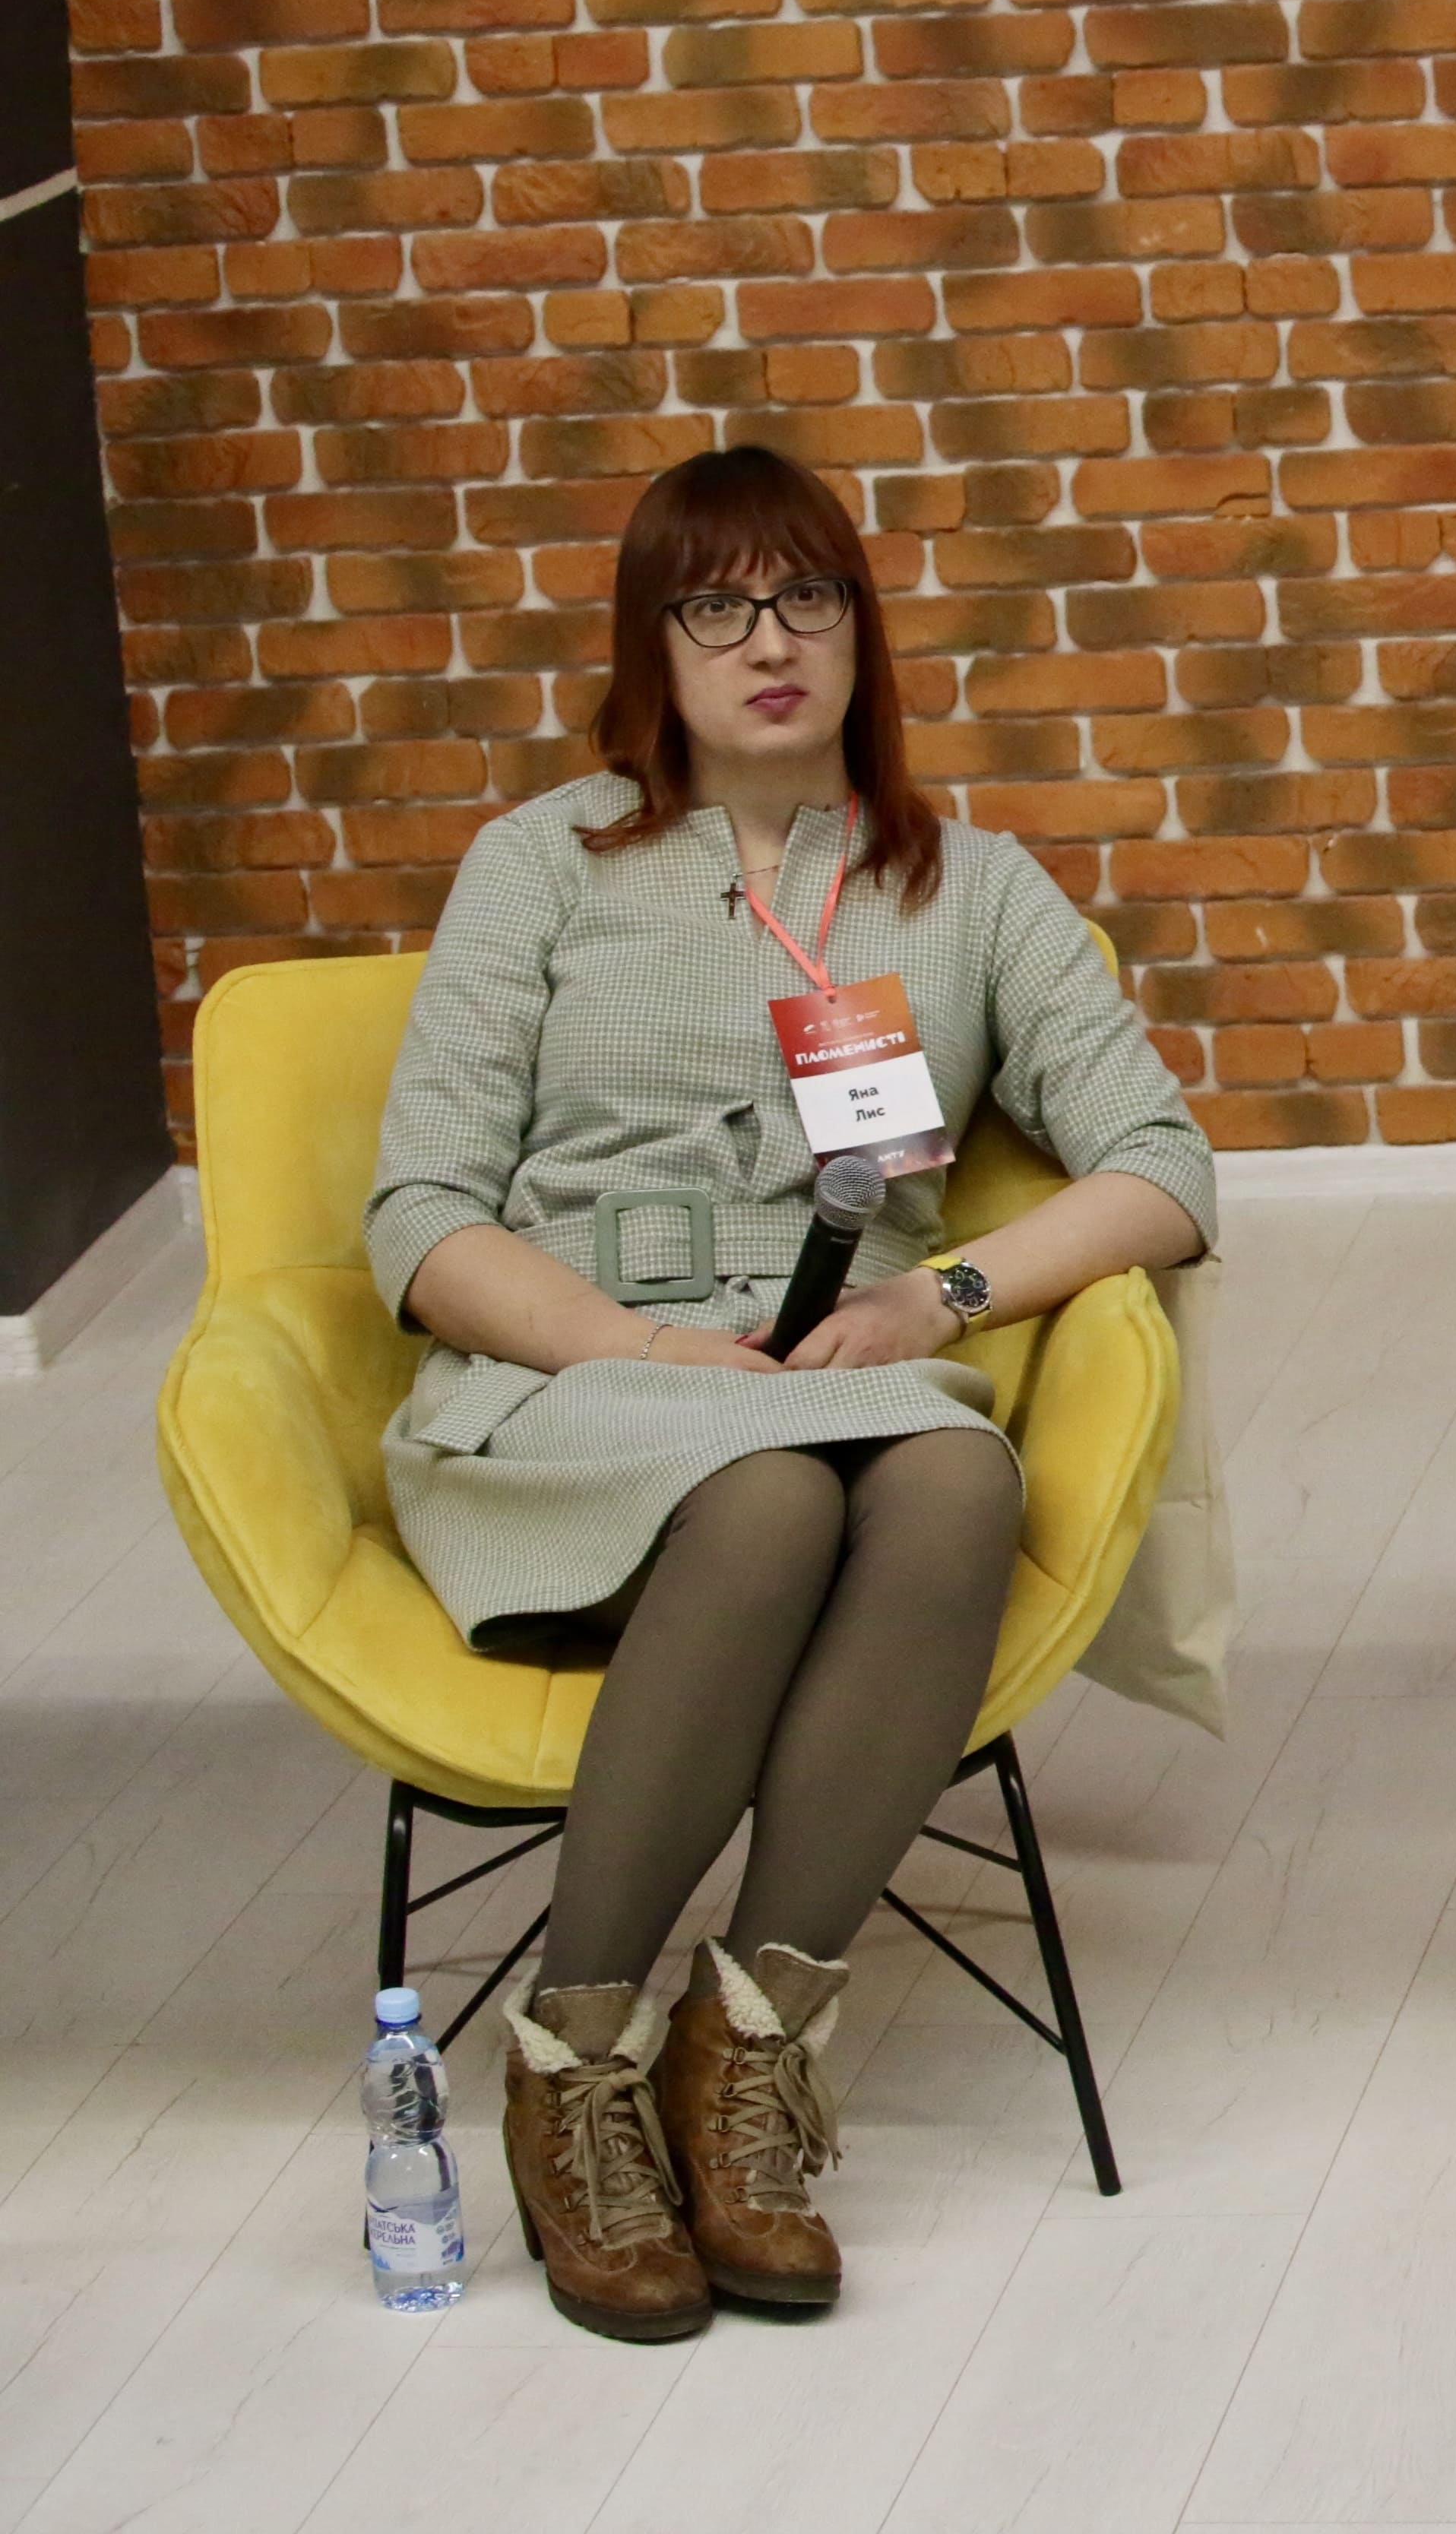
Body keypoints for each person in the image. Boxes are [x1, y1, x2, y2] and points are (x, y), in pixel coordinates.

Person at [367, 445, 1212, 2340]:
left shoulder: (967, 885)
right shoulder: (545, 862)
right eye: (717, 607)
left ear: (861, 632)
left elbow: (1165, 1168)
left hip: (838, 1370)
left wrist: (940, 1295)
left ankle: (744, 2051)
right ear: (650, 648)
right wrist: (635, 1347)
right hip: (584, 1381)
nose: (770, 644)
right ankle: (572, 2055)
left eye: (807, 598)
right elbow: (419, 1212)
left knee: (955, 1480)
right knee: (766, 1496)